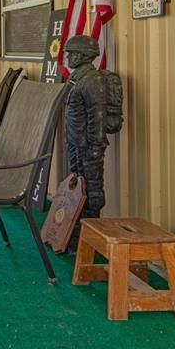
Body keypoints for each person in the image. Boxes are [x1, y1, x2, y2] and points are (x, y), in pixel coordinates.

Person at [63, 35, 122, 246]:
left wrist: (95, 146)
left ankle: (90, 239)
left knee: (92, 191)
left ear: (81, 55)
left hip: (89, 147)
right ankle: (77, 235)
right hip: (76, 144)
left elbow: (98, 116)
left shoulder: (92, 80)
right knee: (79, 189)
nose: (67, 57)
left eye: (70, 54)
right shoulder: (79, 78)